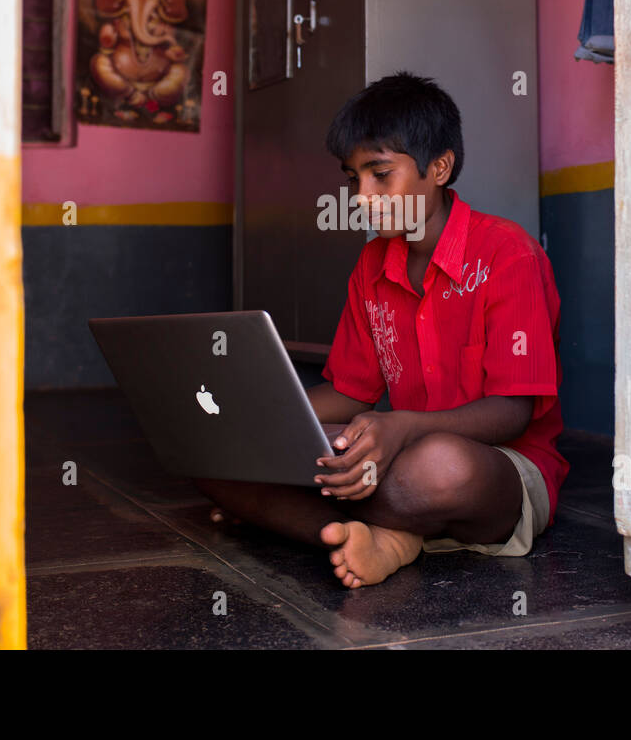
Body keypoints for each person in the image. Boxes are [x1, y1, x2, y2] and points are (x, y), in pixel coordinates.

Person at [193, 71, 569, 587]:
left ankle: (301, 521)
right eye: (353, 178)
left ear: (439, 168)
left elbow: (512, 412)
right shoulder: (373, 264)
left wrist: (403, 427)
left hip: (500, 466)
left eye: (380, 174)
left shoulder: (507, 253)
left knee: (441, 467)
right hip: (398, 450)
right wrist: (260, 419)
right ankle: (391, 538)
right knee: (218, 454)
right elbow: (351, 391)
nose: (362, 196)